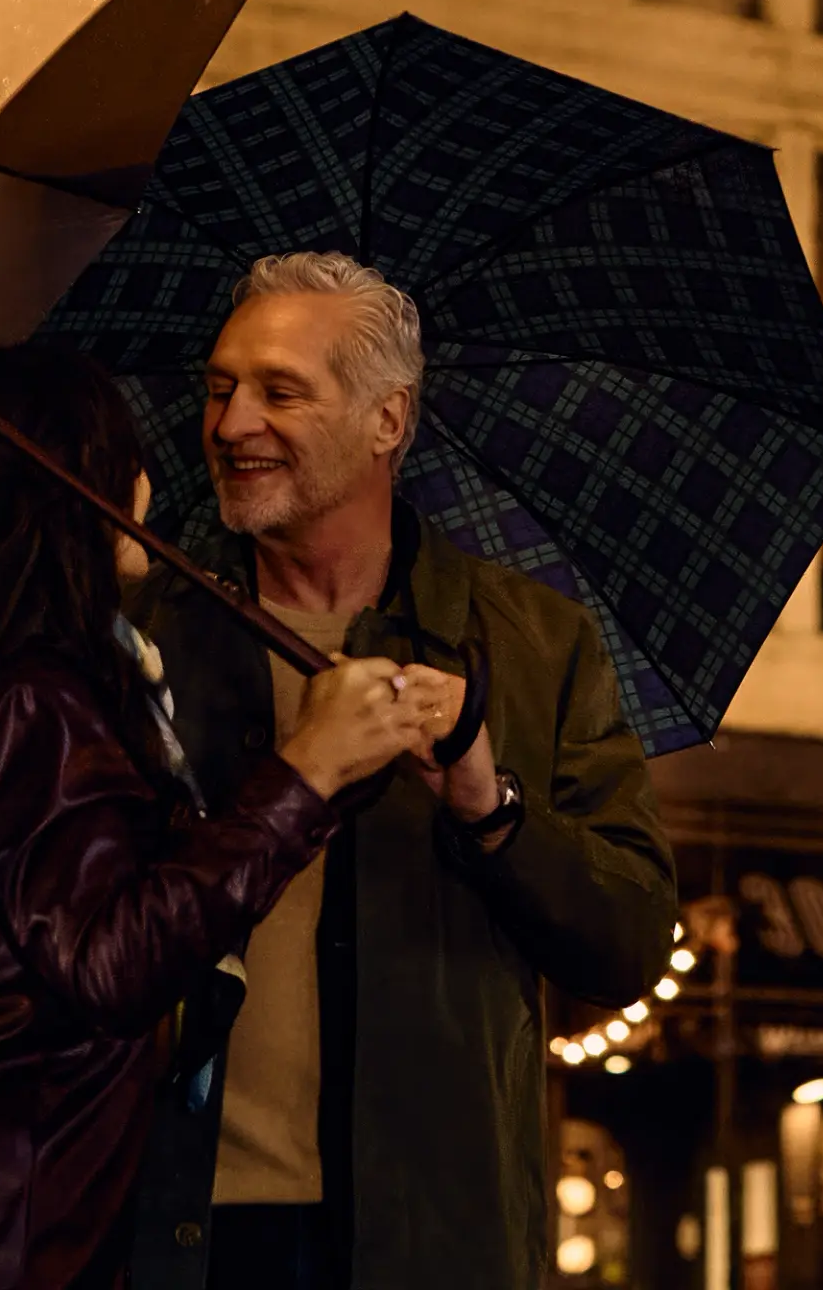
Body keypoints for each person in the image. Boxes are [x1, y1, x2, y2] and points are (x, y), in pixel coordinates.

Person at [0, 344, 450, 1290]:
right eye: (120, 453)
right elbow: (113, 960)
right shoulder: (34, 701)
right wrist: (306, 768)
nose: (145, 479)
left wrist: (321, 771)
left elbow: (79, 911)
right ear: (59, 489)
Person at [126, 252, 678, 1290]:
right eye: (218, 388)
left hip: (435, 1236)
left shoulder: (527, 641)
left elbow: (631, 940)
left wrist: (487, 801)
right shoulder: (145, 632)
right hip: (175, 1228)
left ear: (388, 420)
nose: (233, 422)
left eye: (280, 390)